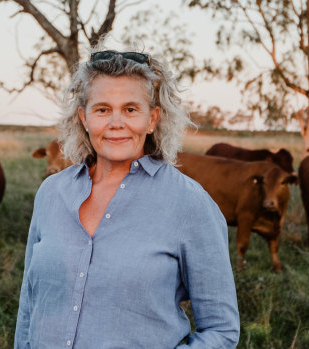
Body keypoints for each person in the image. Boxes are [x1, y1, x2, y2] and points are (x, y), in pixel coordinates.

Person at [14, 47, 240, 348]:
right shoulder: (51, 193)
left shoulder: (189, 204)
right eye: (102, 109)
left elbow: (221, 331)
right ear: (84, 117)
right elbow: (29, 306)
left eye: (131, 109)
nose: (116, 123)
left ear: (152, 120)